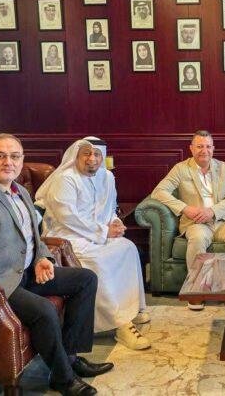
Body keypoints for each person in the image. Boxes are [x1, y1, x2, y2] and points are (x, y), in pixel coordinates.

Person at [0, 133, 112, 396]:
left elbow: (33, 235)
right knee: (44, 310)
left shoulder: (20, 191)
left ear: (22, 160)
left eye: (14, 156)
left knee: (86, 279)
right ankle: (62, 378)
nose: (8, 162)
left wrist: (42, 258)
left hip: (26, 271)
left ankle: (70, 357)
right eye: (0, 156)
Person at [36, 138, 150, 351]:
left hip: (97, 232)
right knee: (98, 260)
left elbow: (111, 208)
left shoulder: (107, 177)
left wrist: (115, 223)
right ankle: (120, 323)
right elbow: (67, 217)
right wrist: (104, 231)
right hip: (67, 236)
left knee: (128, 248)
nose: (92, 159)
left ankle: (132, 309)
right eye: (86, 154)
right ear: (76, 156)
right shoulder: (65, 179)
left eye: (97, 154)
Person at [151, 130, 225, 310]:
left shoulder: (224, 168)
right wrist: (185, 208)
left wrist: (212, 211)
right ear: (191, 148)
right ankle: (196, 292)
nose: (204, 150)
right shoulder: (180, 169)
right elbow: (159, 192)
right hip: (196, 222)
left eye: (208, 146)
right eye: (200, 146)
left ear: (213, 148)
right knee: (197, 239)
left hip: (223, 220)